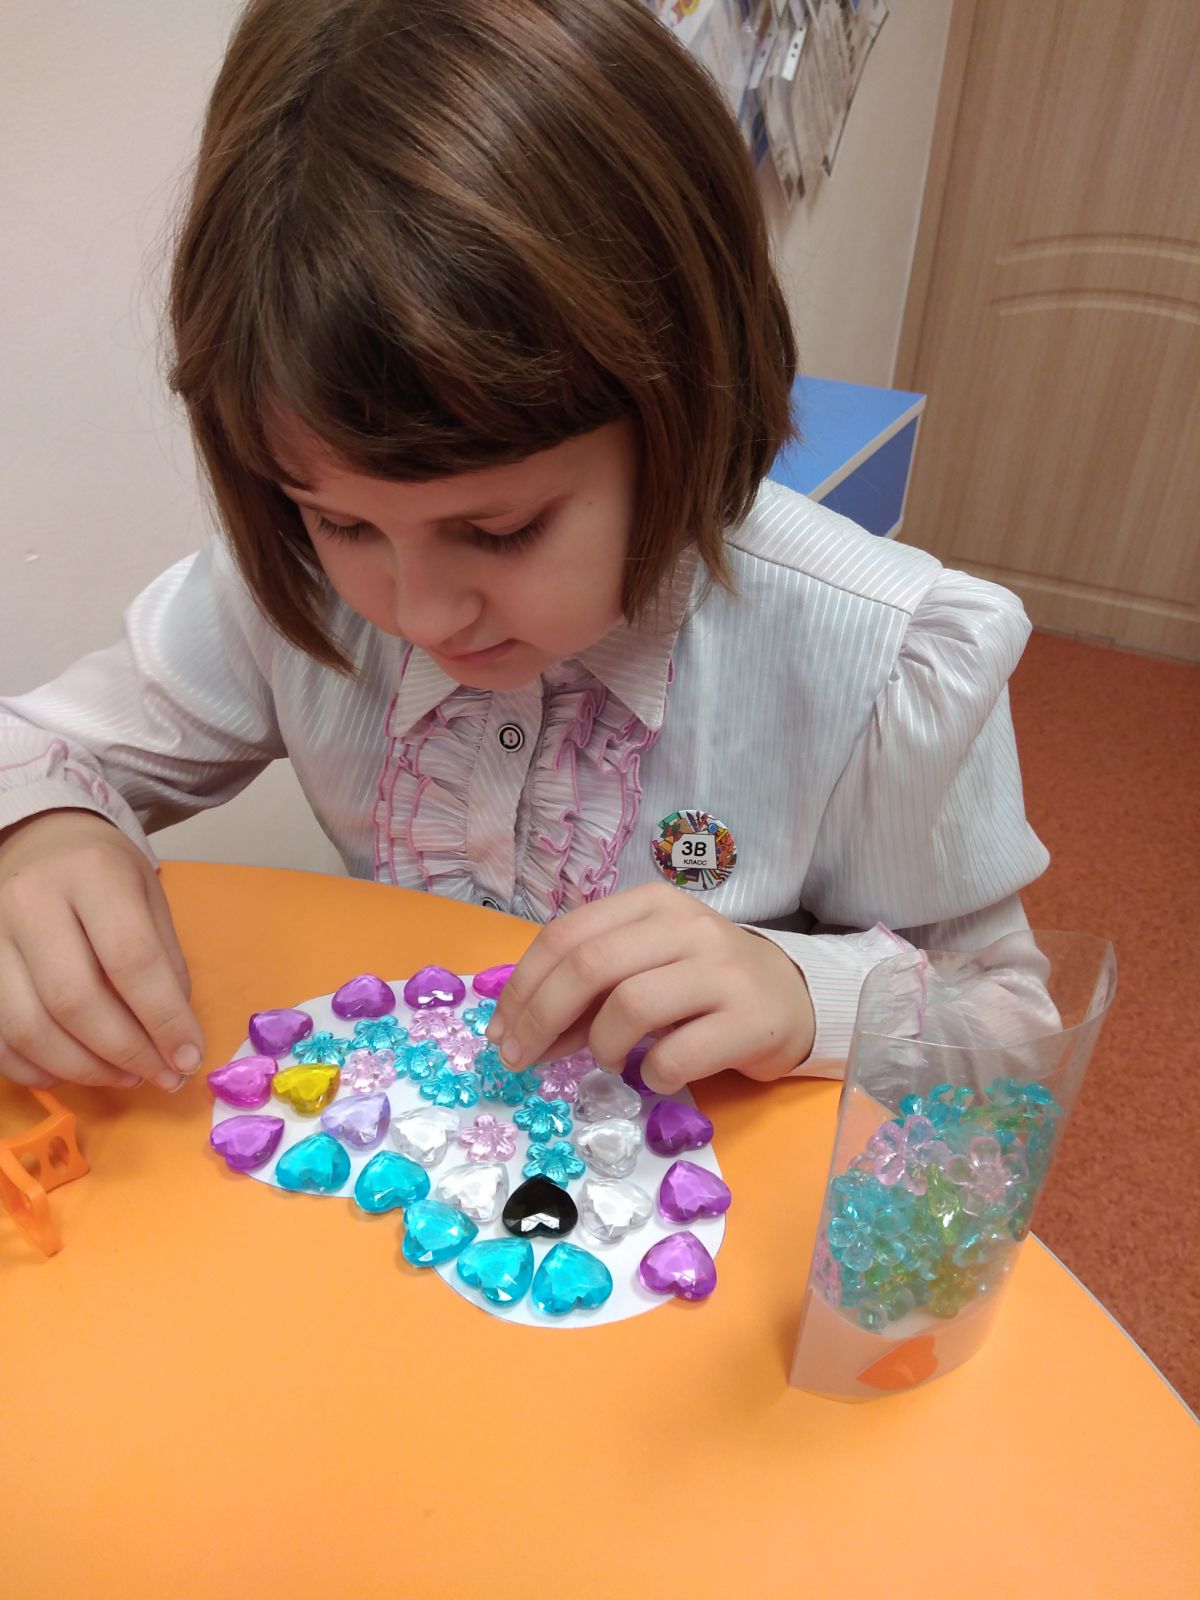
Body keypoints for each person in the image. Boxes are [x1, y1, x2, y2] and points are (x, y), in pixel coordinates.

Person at [0, 0, 1048, 1101]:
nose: (421, 613)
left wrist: (803, 990)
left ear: (685, 405)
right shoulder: (286, 589)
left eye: (499, 531)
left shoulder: (880, 657)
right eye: (343, 522)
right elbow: (35, 743)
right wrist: (45, 832)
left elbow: (1009, 1018)